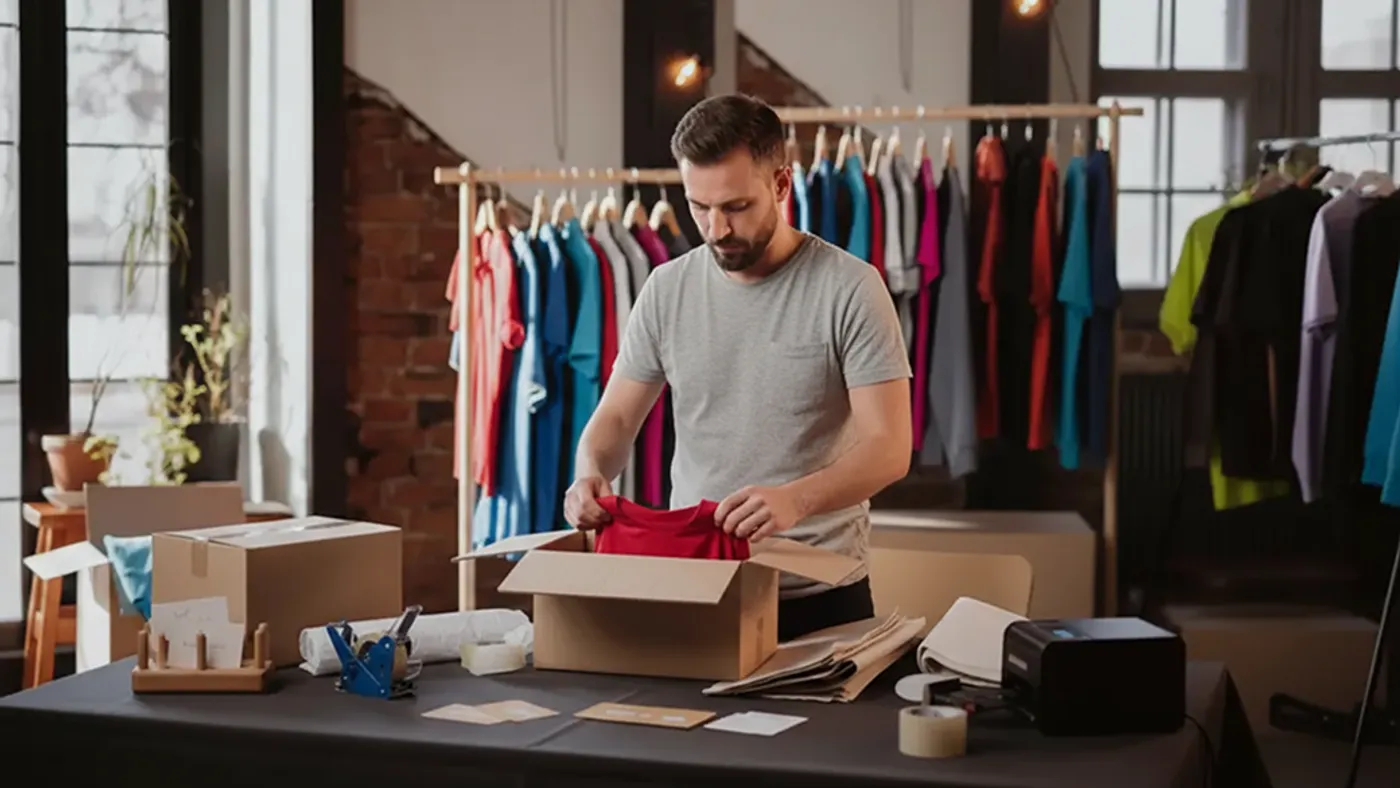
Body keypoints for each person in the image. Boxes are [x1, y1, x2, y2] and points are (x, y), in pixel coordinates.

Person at [562, 94, 913, 641]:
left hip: (818, 595)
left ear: (780, 185)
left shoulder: (850, 288)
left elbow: (890, 448)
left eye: (735, 207)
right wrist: (589, 472)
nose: (715, 228)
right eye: (698, 207)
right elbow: (614, 421)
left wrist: (796, 499)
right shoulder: (666, 289)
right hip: (697, 585)